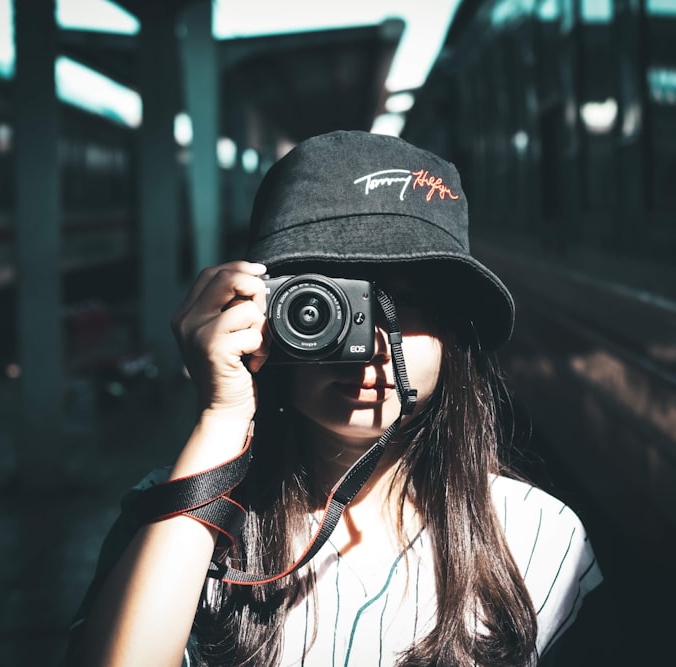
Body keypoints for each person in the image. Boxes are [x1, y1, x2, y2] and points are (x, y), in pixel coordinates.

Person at [66, 130, 603, 667]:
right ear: (260, 316)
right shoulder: (177, 523)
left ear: (454, 333)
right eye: (322, 306)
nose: (368, 345)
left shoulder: (541, 538)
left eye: (407, 303)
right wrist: (221, 416)